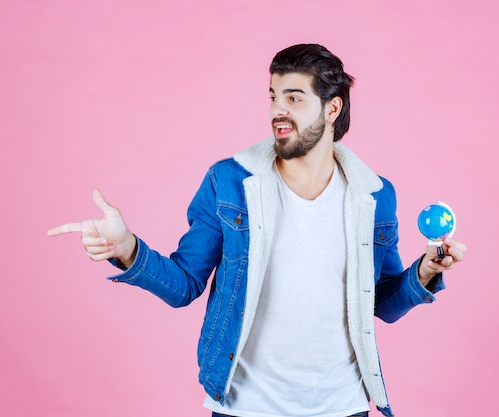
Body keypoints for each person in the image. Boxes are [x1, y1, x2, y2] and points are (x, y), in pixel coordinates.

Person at [48, 43, 467, 417]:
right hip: (244, 407)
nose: (277, 110)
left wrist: (426, 271)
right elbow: (185, 285)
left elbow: (383, 305)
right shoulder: (229, 182)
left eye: (293, 98)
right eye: (272, 96)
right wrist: (128, 249)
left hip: (344, 406)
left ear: (332, 108)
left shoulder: (374, 196)